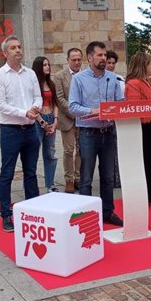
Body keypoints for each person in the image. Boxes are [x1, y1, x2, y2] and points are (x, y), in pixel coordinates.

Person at [69, 41, 124, 226]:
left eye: (105, 55)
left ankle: (108, 212)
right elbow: (73, 107)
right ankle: (85, 214)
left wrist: (118, 109)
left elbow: (120, 103)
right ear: (90, 58)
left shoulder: (112, 78)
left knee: (108, 176)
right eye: (100, 55)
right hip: (88, 133)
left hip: (108, 132)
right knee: (86, 177)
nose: (104, 58)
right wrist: (93, 111)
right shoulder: (79, 79)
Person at [0, 36, 42, 232]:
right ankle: (6, 214)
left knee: (31, 172)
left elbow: (38, 96)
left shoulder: (30, 74)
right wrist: (24, 112)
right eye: (13, 48)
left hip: (30, 129)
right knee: (7, 173)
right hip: (11, 130)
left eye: (20, 47)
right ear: (5, 53)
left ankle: (34, 210)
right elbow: (1, 106)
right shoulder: (0, 75)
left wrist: (35, 108)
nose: (18, 50)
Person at [125, 52, 151, 206]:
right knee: (147, 161)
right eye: (150, 63)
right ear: (143, 65)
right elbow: (134, 107)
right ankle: (149, 194)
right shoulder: (134, 83)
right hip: (143, 127)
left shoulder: (146, 82)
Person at [53, 48, 82, 193]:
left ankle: (78, 178)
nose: (76, 62)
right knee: (69, 150)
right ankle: (69, 180)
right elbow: (59, 98)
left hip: (83, 119)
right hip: (68, 119)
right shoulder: (59, 76)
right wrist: (74, 112)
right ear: (68, 60)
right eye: (74, 60)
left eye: (79, 60)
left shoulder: (85, 75)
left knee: (81, 150)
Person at [32, 57, 59, 193]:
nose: (47, 67)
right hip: (38, 120)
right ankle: (32, 185)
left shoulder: (51, 84)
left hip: (50, 118)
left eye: (48, 64)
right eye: (44, 65)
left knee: (50, 153)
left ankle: (50, 184)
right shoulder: (33, 85)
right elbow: (32, 107)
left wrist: (55, 121)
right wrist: (42, 122)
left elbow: (55, 104)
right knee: (33, 154)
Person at [105, 50, 123, 188]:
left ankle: (118, 178)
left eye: (113, 63)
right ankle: (109, 177)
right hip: (103, 119)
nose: (110, 65)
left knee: (117, 150)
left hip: (118, 119)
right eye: (108, 63)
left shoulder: (120, 79)